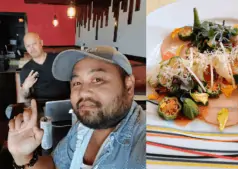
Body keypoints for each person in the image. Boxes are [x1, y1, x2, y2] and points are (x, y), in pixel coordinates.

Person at [7, 46, 146, 169]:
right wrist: (22, 156)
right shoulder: (83, 128)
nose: (83, 92)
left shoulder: (147, 145)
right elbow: (55, 165)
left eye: (97, 80)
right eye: (77, 82)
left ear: (128, 87)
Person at [20, 32, 70, 101]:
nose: (32, 48)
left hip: (63, 102)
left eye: (34, 44)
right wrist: (25, 87)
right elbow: (24, 96)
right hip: (40, 106)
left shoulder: (58, 59)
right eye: (28, 46)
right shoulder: (25, 69)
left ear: (41, 43)